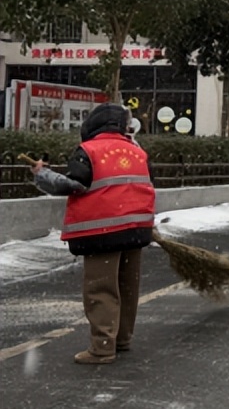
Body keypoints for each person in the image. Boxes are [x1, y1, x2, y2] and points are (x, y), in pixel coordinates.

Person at [29, 103, 155, 364]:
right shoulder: (137, 151)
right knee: (127, 285)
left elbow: (73, 184)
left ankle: (102, 348)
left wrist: (42, 174)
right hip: (137, 228)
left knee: (101, 289)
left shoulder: (89, 150)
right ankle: (121, 338)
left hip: (104, 230)